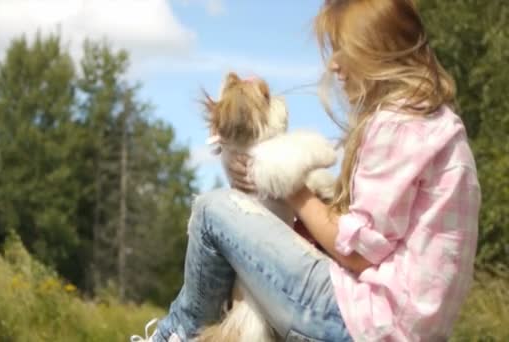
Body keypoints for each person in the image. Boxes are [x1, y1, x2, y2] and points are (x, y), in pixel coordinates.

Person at [131, 0, 481, 341]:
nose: (334, 66)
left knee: (212, 210)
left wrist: (291, 188)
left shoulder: (397, 125)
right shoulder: (444, 130)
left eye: (342, 49)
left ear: (377, 51)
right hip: (403, 327)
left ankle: (173, 335)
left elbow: (358, 253)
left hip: (360, 323)